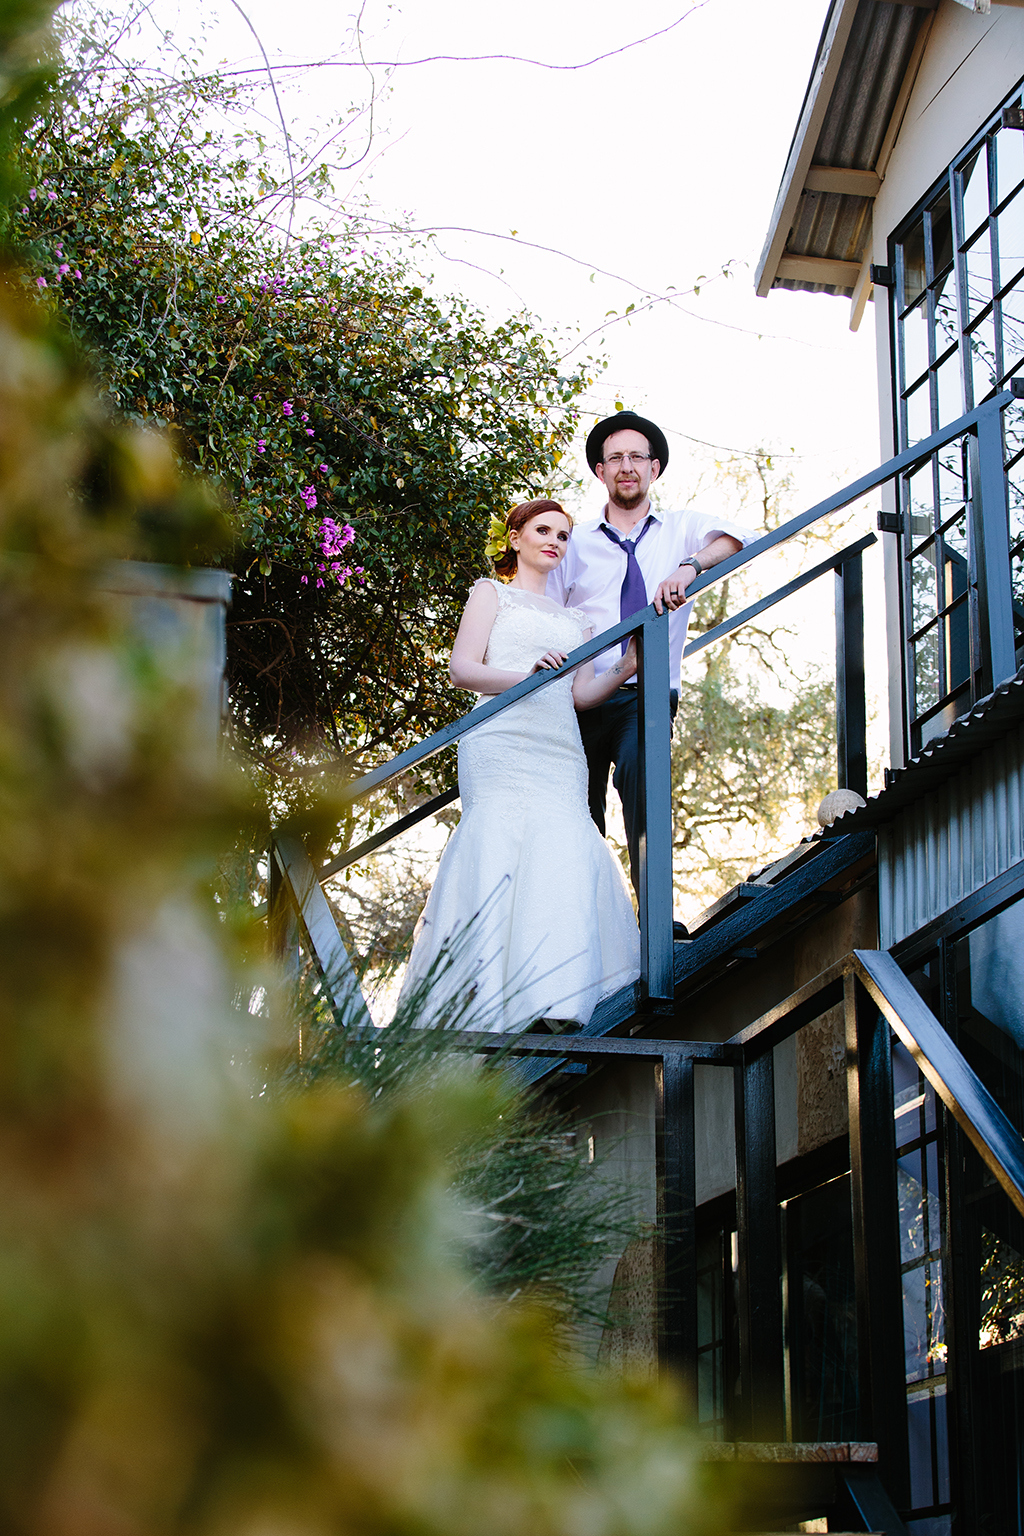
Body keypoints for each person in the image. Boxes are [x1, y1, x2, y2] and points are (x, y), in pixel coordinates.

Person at [398, 500, 641, 1034]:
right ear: (515, 538)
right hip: (500, 740)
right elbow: (463, 670)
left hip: (558, 747)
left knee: (562, 843)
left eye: (563, 534)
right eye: (544, 530)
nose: (555, 540)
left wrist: (624, 666)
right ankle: (481, 999)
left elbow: (579, 695)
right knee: (499, 841)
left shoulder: (576, 621)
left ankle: (554, 995)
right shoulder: (491, 594)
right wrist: (525, 676)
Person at [546, 411, 754, 895]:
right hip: (580, 695)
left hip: (648, 691)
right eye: (614, 458)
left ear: (654, 468)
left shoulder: (681, 528)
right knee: (580, 811)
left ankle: (653, 921)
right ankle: (592, 921)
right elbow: (549, 611)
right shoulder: (573, 542)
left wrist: (690, 566)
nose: (626, 466)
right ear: (600, 471)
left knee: (644, 788)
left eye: (636, 457)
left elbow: (737, 537)